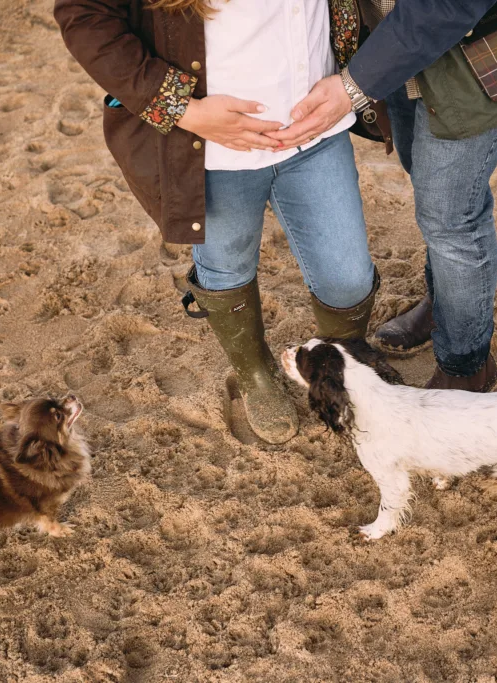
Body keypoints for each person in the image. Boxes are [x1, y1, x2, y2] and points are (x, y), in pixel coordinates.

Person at [54, 0, 388, 445]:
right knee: (227, 267)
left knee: (348, 280)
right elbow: (85, 16)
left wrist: (353, 82)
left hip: (317, 131)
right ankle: (254, 372)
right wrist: (184, 111)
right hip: (211, 148)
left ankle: (337, 364)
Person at [268, 0, 497, 392]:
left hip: (479, 48)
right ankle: (445, 308)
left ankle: (467, 369)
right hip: (393, 43)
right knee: (425, 178)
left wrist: (353, 84)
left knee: (451, 218)